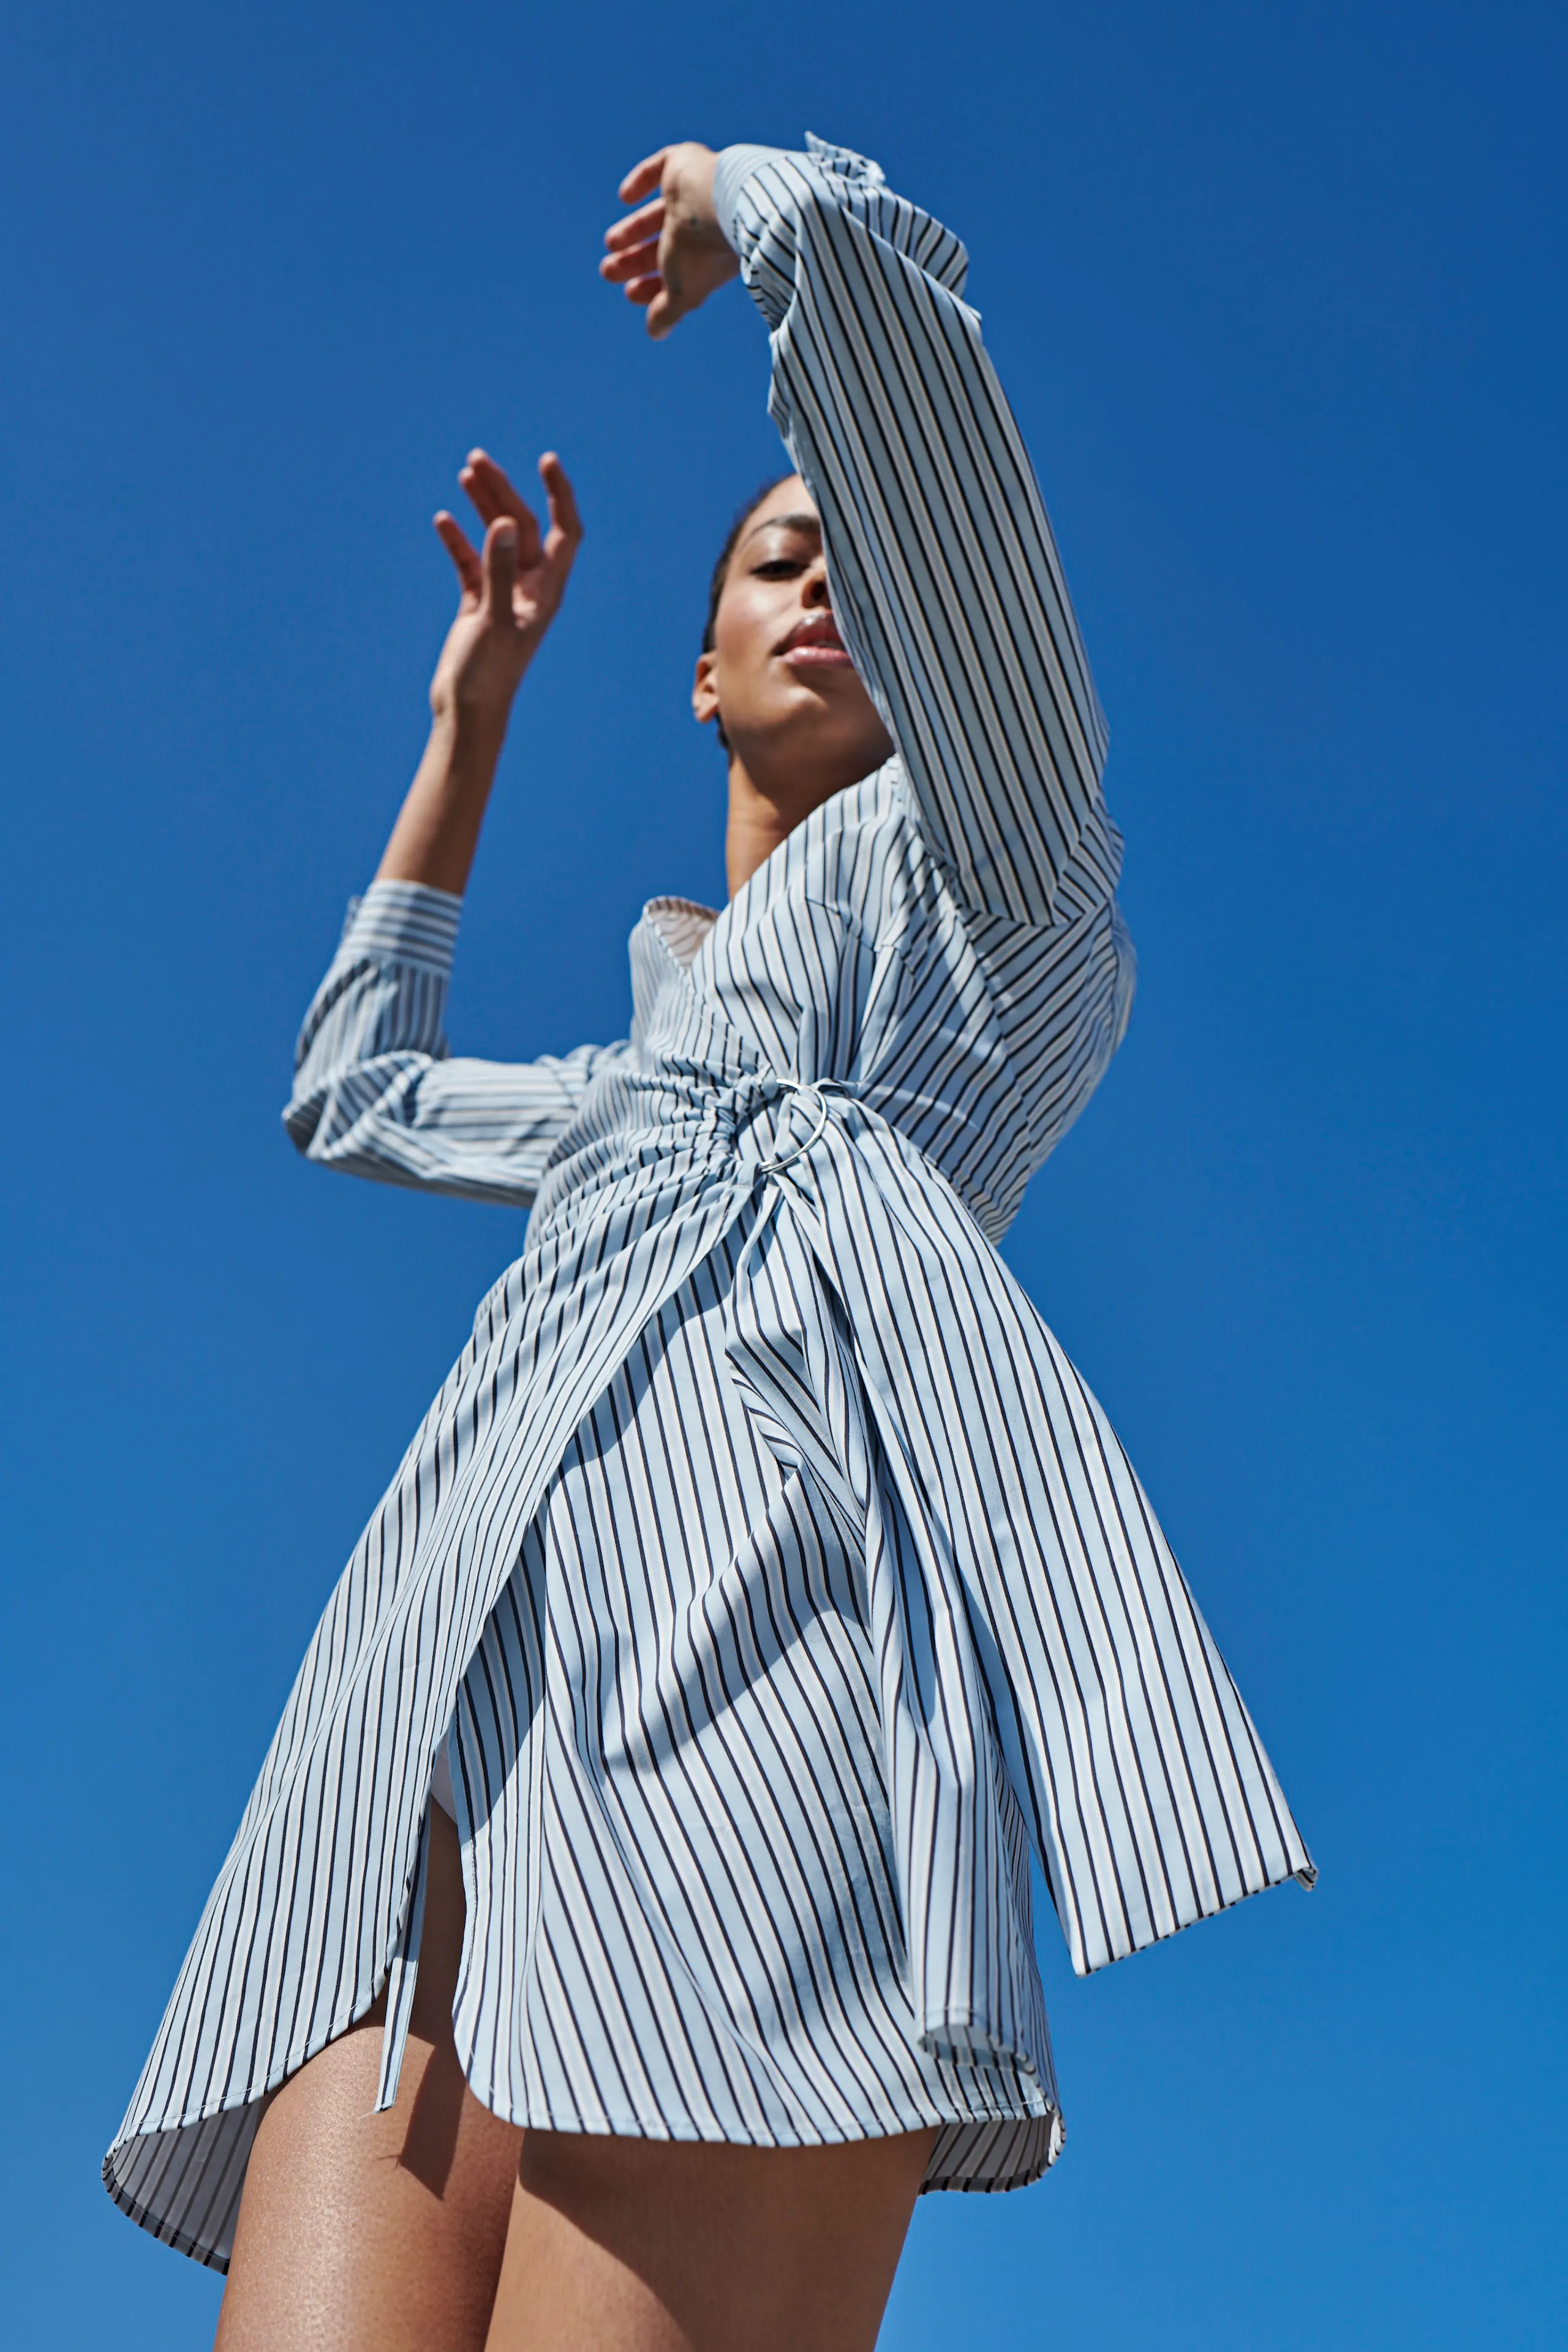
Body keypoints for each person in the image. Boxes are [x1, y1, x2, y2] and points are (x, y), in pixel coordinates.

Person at [104, 135, 1313, 2351]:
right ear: (700, 667)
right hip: (426, 1754)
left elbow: (948, 503)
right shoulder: (632, 1094)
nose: (833, 578)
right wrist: (471, 718)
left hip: (751, 1731)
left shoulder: (1001, 906)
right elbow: (353, 1090)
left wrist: (787, 216)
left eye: (866, 553)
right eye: (778, 556)